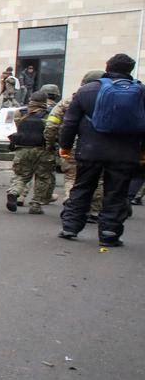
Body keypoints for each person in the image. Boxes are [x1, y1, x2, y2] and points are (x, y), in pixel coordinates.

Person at [58, 53, 145, 247]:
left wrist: (65, 146)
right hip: (125, 152)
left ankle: (70, 226)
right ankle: (109, 232)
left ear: (107, 67)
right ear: (129, 70)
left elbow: (69, 122)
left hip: (90, 150)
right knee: (117, 193)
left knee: (82, 187)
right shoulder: (141, 91)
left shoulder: (88, 90)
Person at [46, 71, 104, 215]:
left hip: (71, 145)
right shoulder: (108, 100)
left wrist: (51, 142)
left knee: (71, 176)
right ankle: (94, 210)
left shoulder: (69, 100)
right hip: (99, 147)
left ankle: (70, 200)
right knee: (98, 178)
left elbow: (51, 124)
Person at [7, 90, 54, 214]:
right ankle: (36, 204)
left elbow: (17, 127)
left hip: (22, 148)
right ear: (45, 101)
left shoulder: (20, 112)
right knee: (43, 177)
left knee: (21, 175)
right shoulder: (49, 114)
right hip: (43, 149)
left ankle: (14, 192)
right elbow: (53, 130)